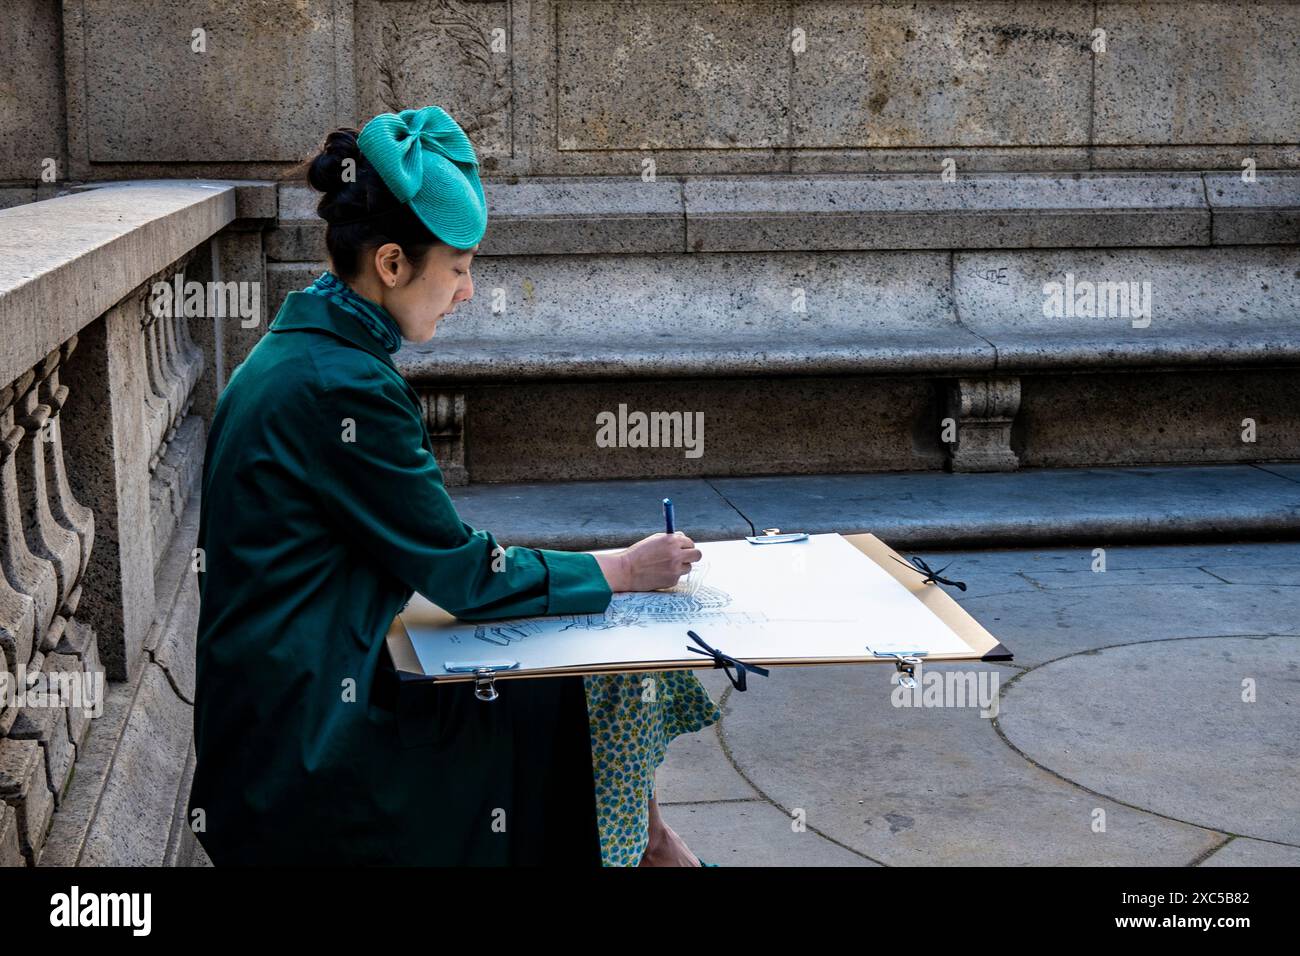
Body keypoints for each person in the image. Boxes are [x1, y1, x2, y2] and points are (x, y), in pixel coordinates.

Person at [189, 105, 717, 866]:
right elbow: (464, 574)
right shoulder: (343, 387)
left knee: (571, 670)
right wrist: (624, 570)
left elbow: (432, 559)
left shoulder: (302, 346)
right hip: (313, 761)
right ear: (394, 265)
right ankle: (651, 852)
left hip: (272, 735)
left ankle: (652, 849)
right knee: (592, 684)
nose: (468, 291)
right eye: (460, 268)